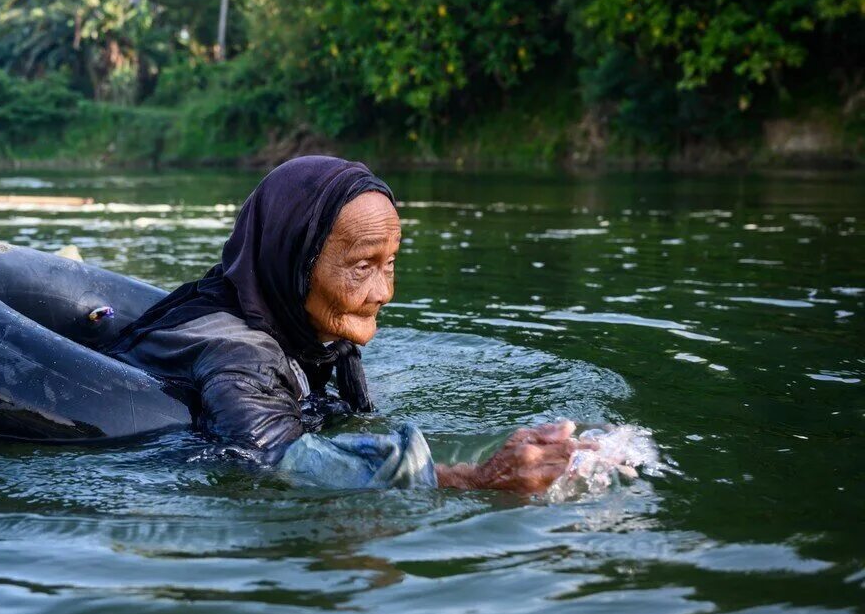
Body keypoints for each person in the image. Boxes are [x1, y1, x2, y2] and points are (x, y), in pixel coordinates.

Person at [108, 156, 594, 492]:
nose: (383, 292)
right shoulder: (241, 355)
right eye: (362, 266)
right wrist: (474, 479)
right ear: (294, 260)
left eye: (390, 264)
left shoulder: (303, 330)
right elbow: (275, 464)